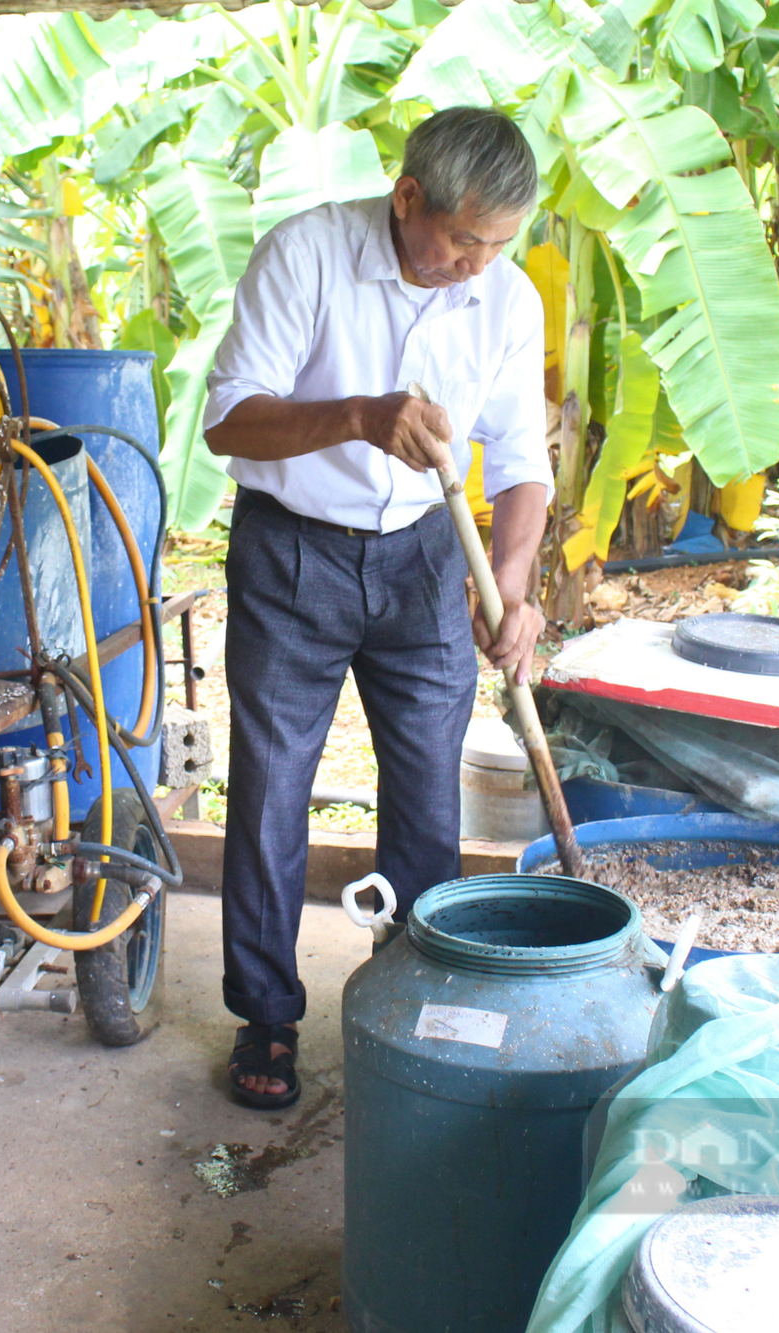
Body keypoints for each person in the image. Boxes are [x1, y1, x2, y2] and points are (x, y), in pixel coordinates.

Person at [201, 106, 551, 1109]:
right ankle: (264, 1013)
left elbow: (522, 462)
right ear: (407, 201)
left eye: (499, 244)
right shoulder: (304, 255)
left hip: (428, 564)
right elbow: (229, 419)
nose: (479, 265)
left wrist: (513, 584)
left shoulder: (506, 300)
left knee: (424, 790)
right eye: (464, 240)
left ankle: (417, 995)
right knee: (271, 786)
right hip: (290, 555)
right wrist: (359, 414)